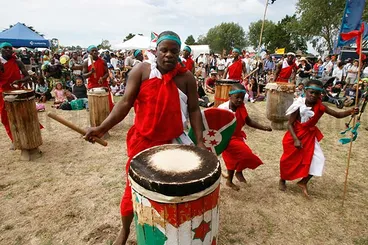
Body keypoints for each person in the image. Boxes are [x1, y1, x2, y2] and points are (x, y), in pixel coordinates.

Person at [84, 31, 205, 245]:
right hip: (143, 142)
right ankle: (125, 230)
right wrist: (102, 127)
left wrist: (200, 141)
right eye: (164, 50)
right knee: (133, 189)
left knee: (171, 192)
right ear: (155, 51)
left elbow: (195, 109)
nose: (168, 55)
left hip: (173, 143)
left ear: (179, 54)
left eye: (173, 51)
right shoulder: (141, 70)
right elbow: (124, 103)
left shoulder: (186, 78)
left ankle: (167, 231)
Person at [279, 80, 359, 197]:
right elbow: (290, 124)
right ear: (305, 91)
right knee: (288, 159)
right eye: (311, 92)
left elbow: (337, 115)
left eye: (317, 94)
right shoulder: (298, 105)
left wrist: (350, 111)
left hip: (309, 136)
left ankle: (303, 182)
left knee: (319, 159)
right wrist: (296, 139)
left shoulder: (320, 106)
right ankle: (282, 179)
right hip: (294, 136)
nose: (314, 95)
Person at [219, 83, 272, 190]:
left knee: (235, 158)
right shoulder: (223, 108)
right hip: (227, 138)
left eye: (242, 98)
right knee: (244, 155)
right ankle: (235, 175)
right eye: (237, 97)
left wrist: (264, 127)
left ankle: (234, 176)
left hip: (238, 136)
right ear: (230, 96)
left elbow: (248, 121)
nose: (239, 100)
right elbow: (216, 125)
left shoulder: (242, 107)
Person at [0, 42, 30, 142]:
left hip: (18, 91)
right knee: (6, 118)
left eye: (10, 48)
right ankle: (14, 139)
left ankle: (26, 136)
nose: (8, 50)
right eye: (5, 48)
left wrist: (20, 81)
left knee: (22, 116)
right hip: (3, 93)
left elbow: (27, 77)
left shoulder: (17, 62)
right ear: (1, 50)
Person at [83, 45, 113, 109]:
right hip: (92, 84)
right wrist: (90, 73)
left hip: (103, 83)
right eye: (92, 51)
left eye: (96, 51)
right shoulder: (86, 62)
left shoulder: (103, 61)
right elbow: (84, 75)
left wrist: (103, 78)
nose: (94, 52)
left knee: (107, 104)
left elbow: (107, 73)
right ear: (89, 53)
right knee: (95, 105)